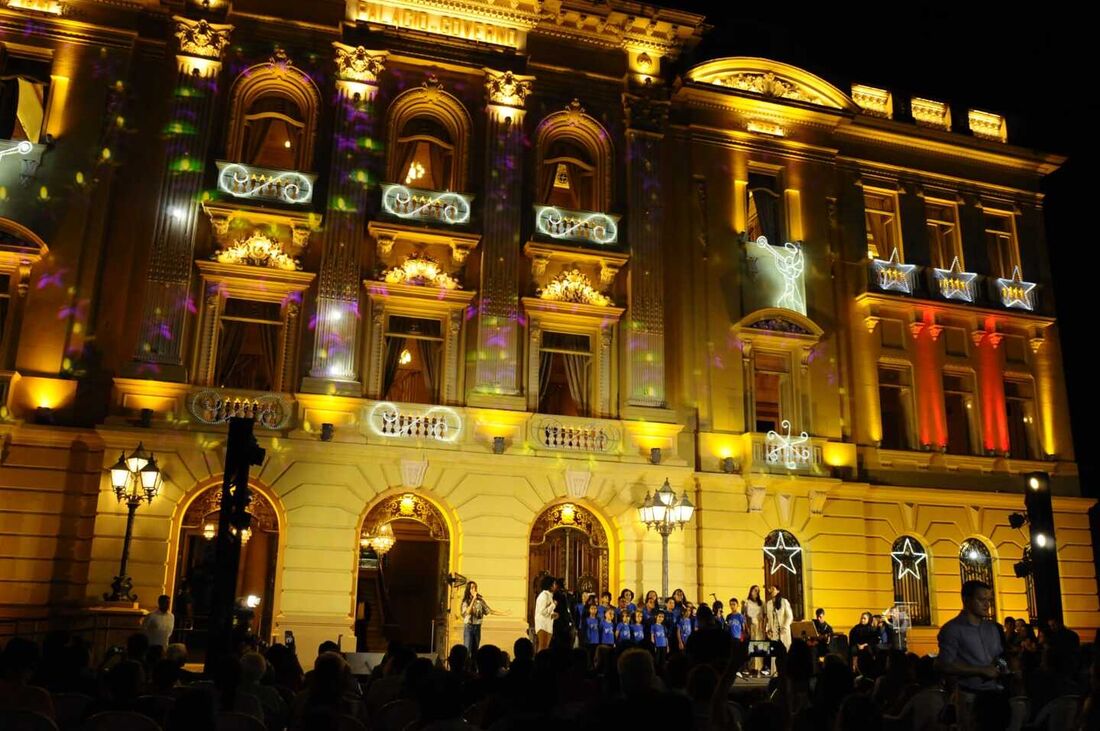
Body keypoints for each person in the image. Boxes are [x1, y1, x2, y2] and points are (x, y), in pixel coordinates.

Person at [936, 580, 1004, 730]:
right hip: (970, 696)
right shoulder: (952, 629)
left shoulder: (992, 628)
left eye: (989, 600)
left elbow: (998, 657)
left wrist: (1004, 667)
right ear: (966, 600)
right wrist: (979, 670)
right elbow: (944, 664)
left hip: (994, 695)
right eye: (981, 600)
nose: (987, 605)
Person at [460, 580, 501, 657]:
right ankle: (466, 667)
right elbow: (467, 612)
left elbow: (489, 611)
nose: (474, 590)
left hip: (477, 627)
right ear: (468, 590)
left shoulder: (480, 601)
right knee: (467, 649)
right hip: (469, 627)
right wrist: (473, 599)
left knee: (475, 651)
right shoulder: (466, 601)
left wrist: (503, 613)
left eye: (475, 588)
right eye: (472, 588)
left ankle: (474, 667)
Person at [765, 586, 793, 675]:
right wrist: (768, 629)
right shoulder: (769, 603)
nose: (771, 590)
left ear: (778, 591)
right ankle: (775, 673)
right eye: (770, 589)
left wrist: (784, 627)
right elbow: (769, 618)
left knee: (785, 651)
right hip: (774, 632)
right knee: (774, 652)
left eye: (773, 589)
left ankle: (786, 672)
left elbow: (789, 616)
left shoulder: (784, 601)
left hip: (783, 632)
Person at [743, 584, 766, 677]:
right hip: (751, 627)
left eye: (758, 590)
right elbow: (744, 616)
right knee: (752, 648)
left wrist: (764, 627)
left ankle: (759, 669)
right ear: (751, 591)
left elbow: (765, 616)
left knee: (760, 648)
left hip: (760, 627)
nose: (756, 592)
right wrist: (746, 628)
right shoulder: (747, 602)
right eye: (754, 590)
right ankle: (752, 669)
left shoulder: (762, 603)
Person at [533, 575, 557, 652]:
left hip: (547, 625)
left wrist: (553, 615)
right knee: (542, 647)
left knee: (545, 647)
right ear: (550, 585)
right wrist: (553, 605)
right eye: (554, 584)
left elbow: (547, 611)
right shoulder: (543, 596)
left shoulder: (549, 596)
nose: (555, 586)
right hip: (543, 625)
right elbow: (543, 611)